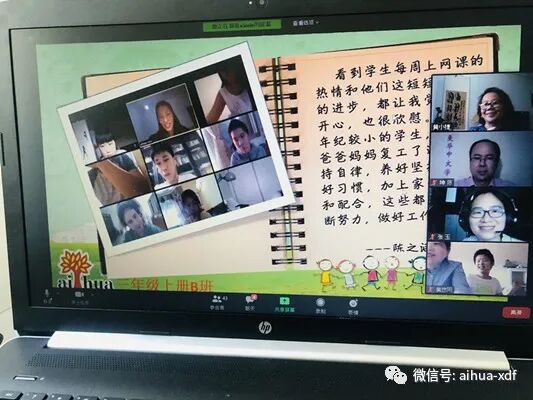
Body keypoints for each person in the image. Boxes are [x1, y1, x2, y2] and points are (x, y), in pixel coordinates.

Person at [89, 131, 150, 206]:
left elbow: (141, 186)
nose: (107, 149)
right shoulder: (95, 169)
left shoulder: (123, 156)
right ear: (98, 148)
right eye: (102, 146)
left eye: (110, 144)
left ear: (115, 143)